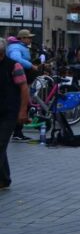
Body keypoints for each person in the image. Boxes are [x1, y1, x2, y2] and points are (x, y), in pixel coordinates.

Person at [0, 51, 30, 190]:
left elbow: (24, 88)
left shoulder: (14, 66)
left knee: (0, 144)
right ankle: (4, 179)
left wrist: (22, 111)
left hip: (9, 111)